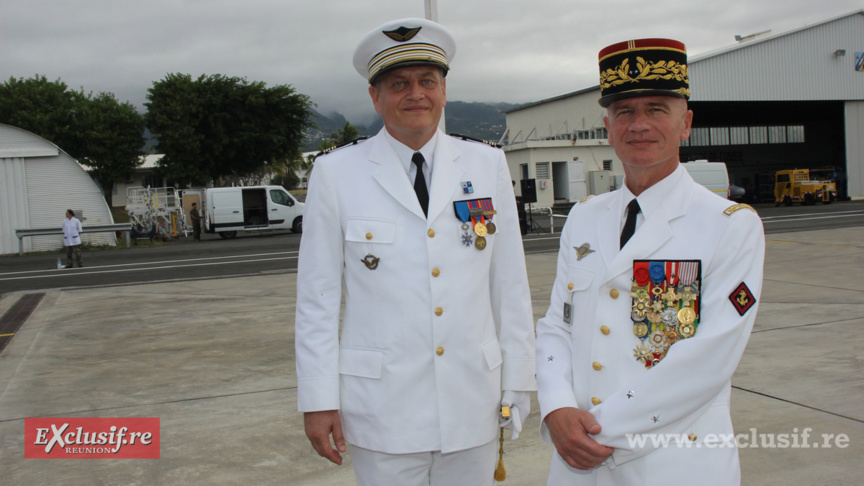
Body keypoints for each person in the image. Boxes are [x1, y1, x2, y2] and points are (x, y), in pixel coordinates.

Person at [295, 17, 536, 486]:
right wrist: (318, 398)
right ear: (375, 97)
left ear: (444, 90)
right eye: (398, 84)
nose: (415, 94)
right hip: (382, 409)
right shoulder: (337, 173)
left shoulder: (487, 164)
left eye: (428, 81)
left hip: (474, 397)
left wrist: (519, 379)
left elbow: (509, 284)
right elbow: (317, 300)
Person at [535, 38, 765, 485]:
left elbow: (710, 356)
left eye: (657, 109)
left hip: (675, 461)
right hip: (578, 463)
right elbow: (556, 325)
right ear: (608, 125)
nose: (639, 124)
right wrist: (558, 409)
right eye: (625, 112)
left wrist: (599, 431)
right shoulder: (584, 217)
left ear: (686, 123)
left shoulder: (728, 225)